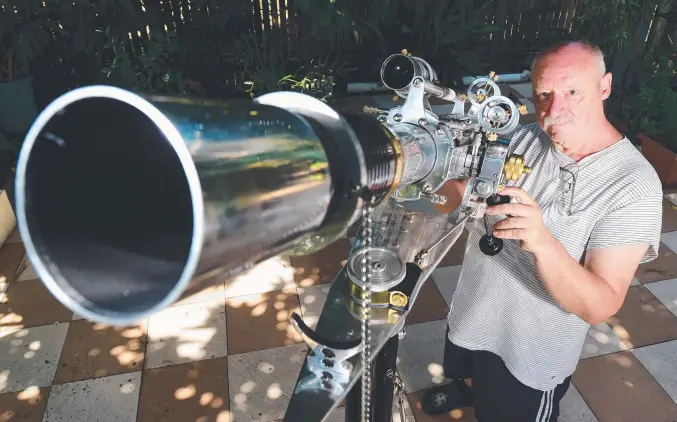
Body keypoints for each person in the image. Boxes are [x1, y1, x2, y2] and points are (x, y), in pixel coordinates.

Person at [422, 40, 664, 422]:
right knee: (471, 368)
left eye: (572, 92)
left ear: (605, 87)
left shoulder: (633, 185)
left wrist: (542, 242)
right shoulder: (521, 137)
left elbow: (600, 305)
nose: (555, 109)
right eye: (544, 94)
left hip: (529, 350)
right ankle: (468, 387)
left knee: (509, 407)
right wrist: (428, 180)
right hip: (475, 310)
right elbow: (456, 192)